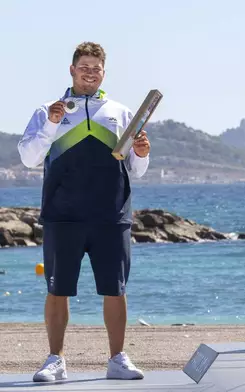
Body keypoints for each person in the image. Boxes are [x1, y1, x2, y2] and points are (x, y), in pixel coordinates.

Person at [17, 42, 150, 382]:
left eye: (96, 68)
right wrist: (51, 124)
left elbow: (136, 170)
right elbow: (30, 158)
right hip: (63, 214)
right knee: (57, 289)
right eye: (84, 66)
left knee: (115, 289)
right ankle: (55, 360)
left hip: (112, 214)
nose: (90, 72)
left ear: (104, 72)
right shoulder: (48, 110)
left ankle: (118, 359)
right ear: (72, 70)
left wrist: (142, 152)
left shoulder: (119, 112)